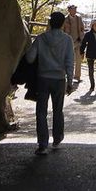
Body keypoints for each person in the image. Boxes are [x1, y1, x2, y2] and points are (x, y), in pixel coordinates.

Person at [25, 11, 74, 155]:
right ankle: (57, 138)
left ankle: (42, 144)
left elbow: (29, 58)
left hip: (42, 78)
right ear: (63, 24)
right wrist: (70, 81)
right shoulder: (67, 40)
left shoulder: (41, 38)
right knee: (58, 110)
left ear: (50, 23)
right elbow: (69, 62)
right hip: (59, 79)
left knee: (41, 112)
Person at [63, 4, 85, 82]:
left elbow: (82, 28)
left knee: (78, 60)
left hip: (78, 41)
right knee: (70, 60)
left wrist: (82, 37)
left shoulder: (79, 18)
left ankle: (77, 76)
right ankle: (69, 76)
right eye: (73, 9)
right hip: (69, 42)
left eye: (75, 9)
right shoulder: (65, 19)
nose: (74, 10)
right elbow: (62, 31)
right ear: (69, 10)